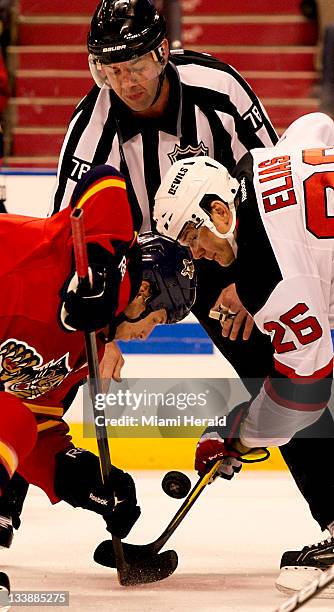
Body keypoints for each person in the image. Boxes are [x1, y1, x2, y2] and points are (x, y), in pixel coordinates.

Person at [7, 0, 334, 589]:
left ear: (161, 52)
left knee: (271, 366)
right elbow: (71, 239)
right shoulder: (91, 128)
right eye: (110, 69)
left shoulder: (218, 89)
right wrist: (100, 337)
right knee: (41, 363)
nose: (123, 81)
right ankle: (3, 512)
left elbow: (263, 170)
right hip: (134, 259)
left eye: (133, 64)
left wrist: (243, 277)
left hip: (222, 242)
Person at [154, 111, 334, 596]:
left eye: (193, 238)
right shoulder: (265, 162)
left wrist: (240, 433)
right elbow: (318, 124)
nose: (196, 256)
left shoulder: (272, 281)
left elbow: (306, 396)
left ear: (218, 212)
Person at [0, 161, 196, 594]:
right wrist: (106, 270)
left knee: (13, 421)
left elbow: (35, 422)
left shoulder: (86, 354)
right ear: (143, 292)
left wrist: (81, 479)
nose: (147, 334)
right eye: (157, 320)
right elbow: (104, 180)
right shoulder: (81, 267)